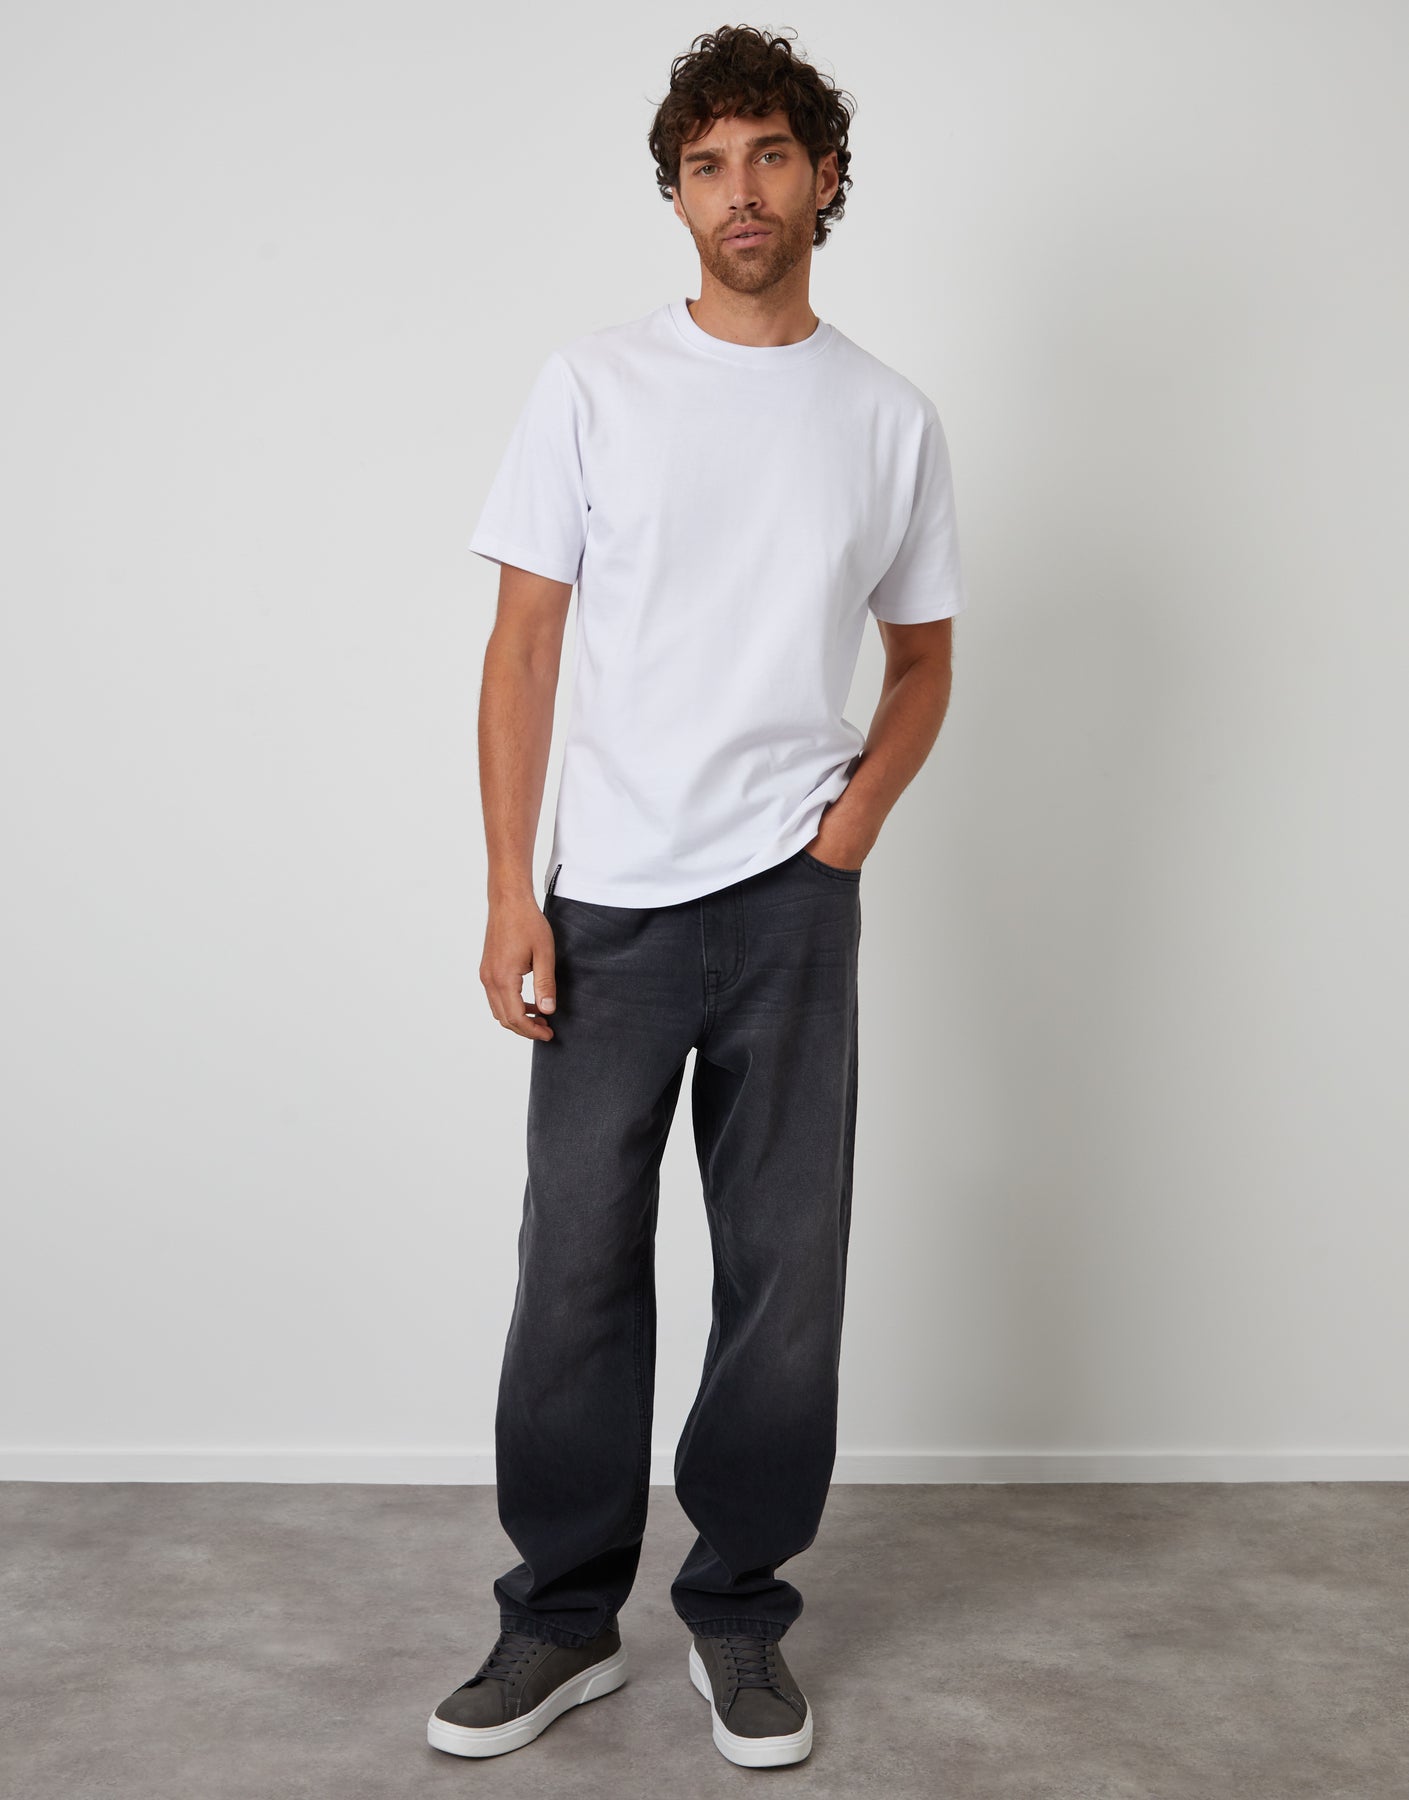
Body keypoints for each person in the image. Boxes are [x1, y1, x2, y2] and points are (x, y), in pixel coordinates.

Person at [428, 22, 968, 1770]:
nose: (739, 190)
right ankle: (559, 1619)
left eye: (769, 156)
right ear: (676, 195)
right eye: (706, 164)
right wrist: (509, 892)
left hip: (792, 910)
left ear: (823, 178)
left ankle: (739, 1613)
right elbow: (522, 649)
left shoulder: (885, 417)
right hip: (610, 906)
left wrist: (848, 830)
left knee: (783, 1279)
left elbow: (923, 659)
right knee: (574, 1268)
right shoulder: (594, 386)